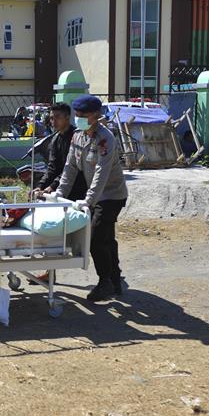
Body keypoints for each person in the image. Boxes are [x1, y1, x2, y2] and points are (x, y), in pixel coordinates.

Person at [45, 95, 128, 302]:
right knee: (106, 238)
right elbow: (70, 168)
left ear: (96, 115)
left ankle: (105, 283)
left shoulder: (105, 139)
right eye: (78, 114)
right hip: (95, 195)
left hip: (111, 195)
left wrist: (88, 200)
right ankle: (114, 280)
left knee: (95, 237)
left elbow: (101, 173)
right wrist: (59, 193)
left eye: (83, 115)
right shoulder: (78, 136)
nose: (79, 118)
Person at [30, 102, 86, 200]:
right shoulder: (55, 139)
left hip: (80, 188)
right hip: (61, 188)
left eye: (57, 117)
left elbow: (73, 168)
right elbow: (53, 167)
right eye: (51, 118)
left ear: (67, 117)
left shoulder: (77, 137)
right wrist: (40, 186)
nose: (53, 121)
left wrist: (53, 186)